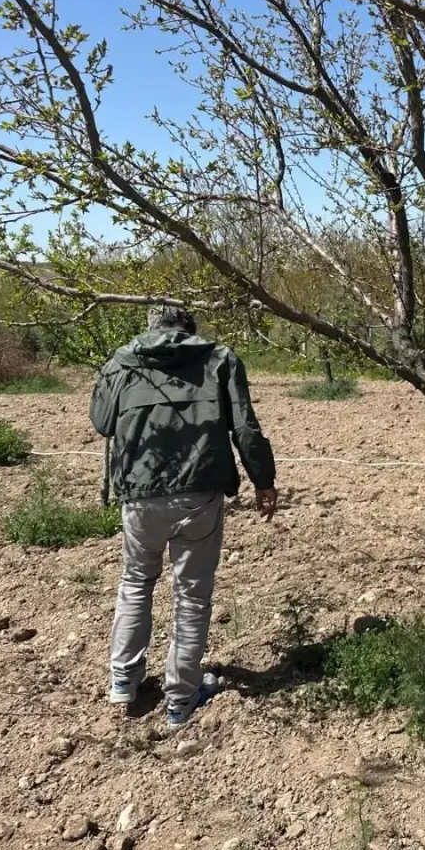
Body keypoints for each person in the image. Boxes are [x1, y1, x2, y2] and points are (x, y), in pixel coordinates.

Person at [90, 306, 278, 727]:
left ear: (151, 328)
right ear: (191, 328)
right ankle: (180, 698)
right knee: (191, 596)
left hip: (139, 495)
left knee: (135, 582)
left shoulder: (122, 360)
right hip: (198, 494)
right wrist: (263, 480)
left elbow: (102, 423)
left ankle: (123, 680)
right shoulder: (219, 358)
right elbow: (244, 428)